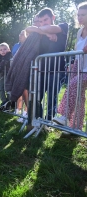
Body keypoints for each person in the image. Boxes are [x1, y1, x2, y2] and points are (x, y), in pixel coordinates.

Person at [25, 8, 69, 121]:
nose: (43, 23)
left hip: (56, 70)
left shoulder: (63, 26)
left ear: (53, 17)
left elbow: (47, 28)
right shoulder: (43, 32)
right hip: (41, 70)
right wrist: (45, 33)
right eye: (41, 21)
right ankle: (37, 119)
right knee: (37, 96)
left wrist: (43, 30)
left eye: (46, 20)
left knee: (51, 97)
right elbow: (28, 29)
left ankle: (49, 121)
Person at [52, 2, 87, 130]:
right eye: (78, 14)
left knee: (73, 85)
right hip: (79, 65)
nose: (80, 17)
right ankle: (75, 127)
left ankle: (64, 116)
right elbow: (77, 49)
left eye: (83, 14)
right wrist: (72, 63)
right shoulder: (79, 32)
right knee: (79, 97)